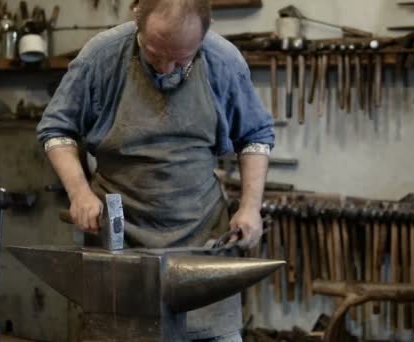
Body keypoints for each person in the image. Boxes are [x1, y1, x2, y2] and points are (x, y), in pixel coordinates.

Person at [36, 0, 274, 340]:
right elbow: (56, 130)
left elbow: (255, 137)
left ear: (203, 36)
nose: (165, 69)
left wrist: (250, 207)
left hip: (201, 242)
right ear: (137, 18)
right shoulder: (101, 56)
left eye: (180, 59)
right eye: (154, 53)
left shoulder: (224, 61)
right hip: (119, 243)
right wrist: (79, 192)